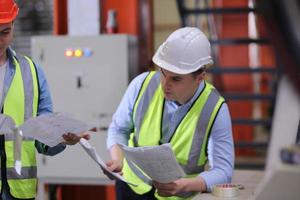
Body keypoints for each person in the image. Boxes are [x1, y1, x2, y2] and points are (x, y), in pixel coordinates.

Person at [105, 26, 234, 200]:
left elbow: (223, 172)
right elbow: (119, 129)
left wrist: (185, 185)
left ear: (199, 78)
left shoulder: (215, 109)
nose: (165, 84)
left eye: (176, 79)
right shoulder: (141, 85)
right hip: (131, 187)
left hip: (179, 195)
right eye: (163, 73)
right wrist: (117, 160)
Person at [0, 0, 89, 199]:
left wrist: (62, 137)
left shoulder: (31, 71)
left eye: (4, 32)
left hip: (18, 189)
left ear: (13, 26)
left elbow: (43, 132)